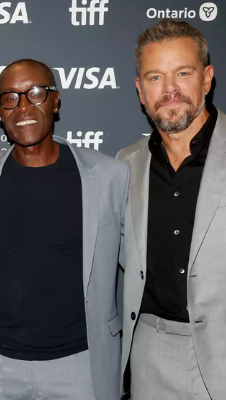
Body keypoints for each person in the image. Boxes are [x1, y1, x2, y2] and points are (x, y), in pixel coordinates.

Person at [0, 59, 129, 400]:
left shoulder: (110, 176)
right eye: (10, 97)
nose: (23, 106)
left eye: (35, 93)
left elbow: (140, 268)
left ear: (55, 100)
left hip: (83, 363)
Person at [118, 19, 225, 400]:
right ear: (140, 91)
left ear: (207, 78)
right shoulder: (125, 165)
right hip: (150, 354)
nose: (170, 90)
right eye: (155, 78)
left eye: (183, 73)